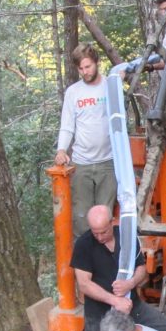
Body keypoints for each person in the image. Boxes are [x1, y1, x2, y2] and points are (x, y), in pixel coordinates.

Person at [55, 43, 116, 239]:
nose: (85, 72)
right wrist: (61, 149)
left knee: (104, 217)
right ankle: (86, 265)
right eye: (81, 68)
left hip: (108, 162)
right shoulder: (73, 92)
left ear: (97, 63)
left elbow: (120, 122)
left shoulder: (110, 86)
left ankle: (108, 264)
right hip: (82, 164)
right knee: (82, 218)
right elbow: (67, 126)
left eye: (88, 66)